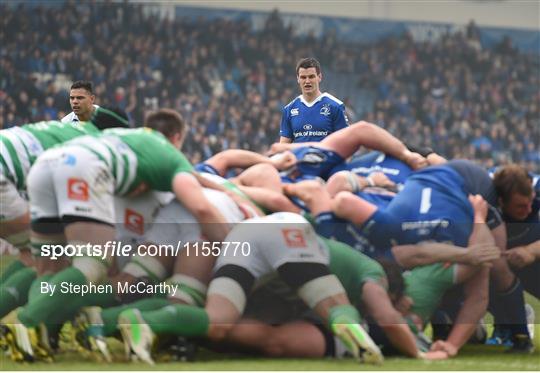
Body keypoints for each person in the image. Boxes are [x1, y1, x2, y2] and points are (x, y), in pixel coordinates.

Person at [279, 58, 348, 143]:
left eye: (311, 77)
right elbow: (283, 146)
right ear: (298, 79)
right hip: (298, 156)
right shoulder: (289, 109)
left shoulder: (336, 106)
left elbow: (345, 143)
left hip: (324, 156)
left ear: (319, 77)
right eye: (303, 77)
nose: (307, 81)